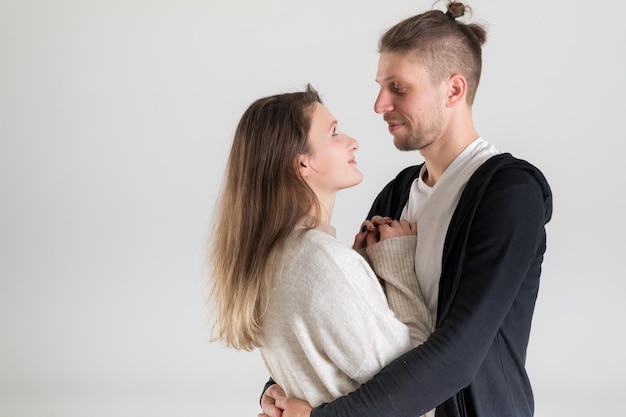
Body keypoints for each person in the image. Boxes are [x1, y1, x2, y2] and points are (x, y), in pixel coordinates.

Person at [259, 2, 553, 417]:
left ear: (454, 90)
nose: (379, 104)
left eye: (398, 87)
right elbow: (352, 325)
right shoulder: (396, 196)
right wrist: (279, 387)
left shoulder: (509, 194)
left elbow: (460, 354)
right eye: (380, 86)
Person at [208, 85, 434, 410]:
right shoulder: (322, 260)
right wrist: (396, 263)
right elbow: (416, 386)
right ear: (302, 165)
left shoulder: (271, 257)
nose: (352, 141)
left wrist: (364, 272)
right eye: (334, 133)